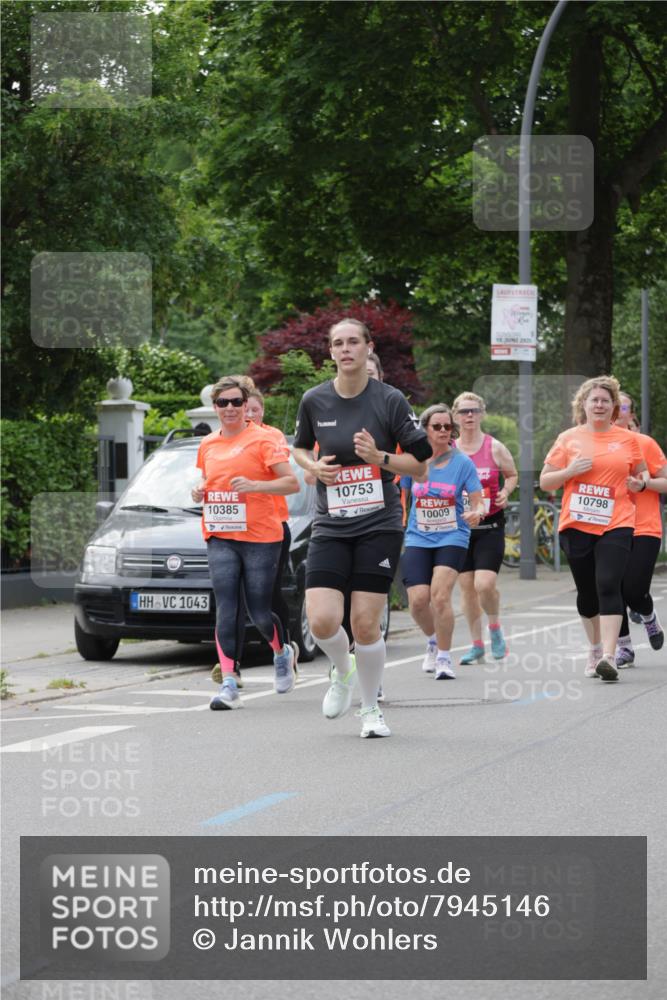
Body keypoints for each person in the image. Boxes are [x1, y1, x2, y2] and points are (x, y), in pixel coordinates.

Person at [292, 318, 431, 738]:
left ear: (368, 348)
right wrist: (311, 465)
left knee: (365, 623)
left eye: (354, 341)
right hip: (332, 524)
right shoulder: (314, 400)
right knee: (321, 622)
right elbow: (298, 448)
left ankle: (370, 709)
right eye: (338, 343)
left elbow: (420, 467)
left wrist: (380, 457)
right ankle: (342, 667)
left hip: (379, 524)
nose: (346, 348)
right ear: (330, 352)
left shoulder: (388, 400)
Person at [192, 376, 300, 710]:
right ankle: (228, 683)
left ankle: (281, 653)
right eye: (222, 403)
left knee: (258, 609)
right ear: (215, 407)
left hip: (261, 535)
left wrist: (255, 486)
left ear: (245, 406)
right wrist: (198, 490)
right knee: (225, 605)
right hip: (221, 533)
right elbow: (208, 480)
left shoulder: (263, 439)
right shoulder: (208, 444)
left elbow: (291, 483)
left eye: (235, 402)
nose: (229, 409)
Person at [540, 375, 646, 681]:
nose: (599, 405)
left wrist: (638, 484)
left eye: (605, 400)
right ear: (583, 405)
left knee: (609, 584)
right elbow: (547, 480)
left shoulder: (628, 439)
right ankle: (595, 648)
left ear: (614, 407)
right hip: (577, 525)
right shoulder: (568, 438)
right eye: (594, 400)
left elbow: (640, 477)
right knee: (587, 594)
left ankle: (610, 657)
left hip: (617, 523)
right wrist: (570, 471)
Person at [401, 404, 484, 679]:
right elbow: (401, 496)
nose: (443, 431)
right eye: (437, 426)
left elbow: (477, 499)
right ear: (425, 429)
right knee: (417, 601)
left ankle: (445, 659)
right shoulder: (414, 461)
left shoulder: (462, 463)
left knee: (439, 595)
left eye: (448, 427)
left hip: (453, 535)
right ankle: (434, 640)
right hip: (418, 535)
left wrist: (477, 512)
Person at [451, 392, 518, 665]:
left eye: (474, 411)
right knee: (467, 589)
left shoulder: (494, 447)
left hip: (490, 525)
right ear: (455, 416)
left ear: (482, 414)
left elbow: (512, 475)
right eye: (464, 411)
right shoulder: (448, 450)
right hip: (459, 529)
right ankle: (477, 644)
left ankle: (495, 629)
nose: (469, 416)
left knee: (484, 584)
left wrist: (505, 491)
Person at [613, 391, 666, 665]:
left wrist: (644, 484)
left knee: (633, 590)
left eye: (622, 405)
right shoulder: (591, 444)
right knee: (611, 588)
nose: (616, 409)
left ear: (631, 414)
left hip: (643, 526)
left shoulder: (644, 443)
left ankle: (649, 616)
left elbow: (665, 481)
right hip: (608, 527)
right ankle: (624, 647)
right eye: (613, 403)